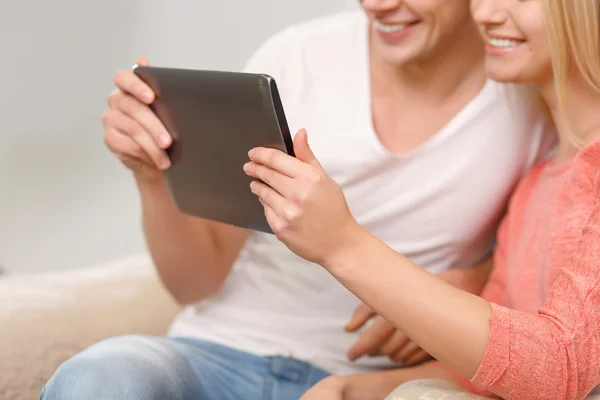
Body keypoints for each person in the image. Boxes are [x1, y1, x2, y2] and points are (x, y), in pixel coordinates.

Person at [40, 1, 553, 399]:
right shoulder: (298, 57)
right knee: (97, 379)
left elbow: (544, 273)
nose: (377, 6)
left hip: (364, 381)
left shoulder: (528, 96)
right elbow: (195, 282)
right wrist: (151, 178)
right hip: (217, 350)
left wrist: (475, 280)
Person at [243, 0, 600, 399]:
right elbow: (488, 370)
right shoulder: (536, 183)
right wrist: (349, 390)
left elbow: (563, 369)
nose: (484, 14)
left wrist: (341, 244)